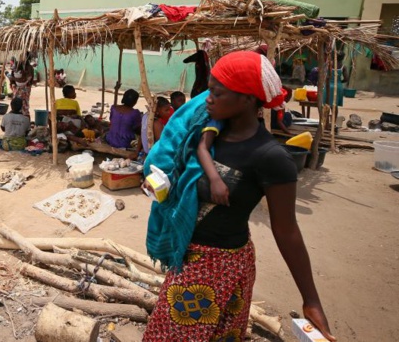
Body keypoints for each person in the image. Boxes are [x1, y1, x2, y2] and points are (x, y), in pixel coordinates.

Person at [143, 51, 334, 341]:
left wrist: (311, 300)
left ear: (247, 98)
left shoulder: (270, 157)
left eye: (217, 92)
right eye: (209, 89)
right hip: (188, 257)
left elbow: (287, 230)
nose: (208, 98)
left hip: (225, 264)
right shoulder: (207, 130)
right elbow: (178, 161)